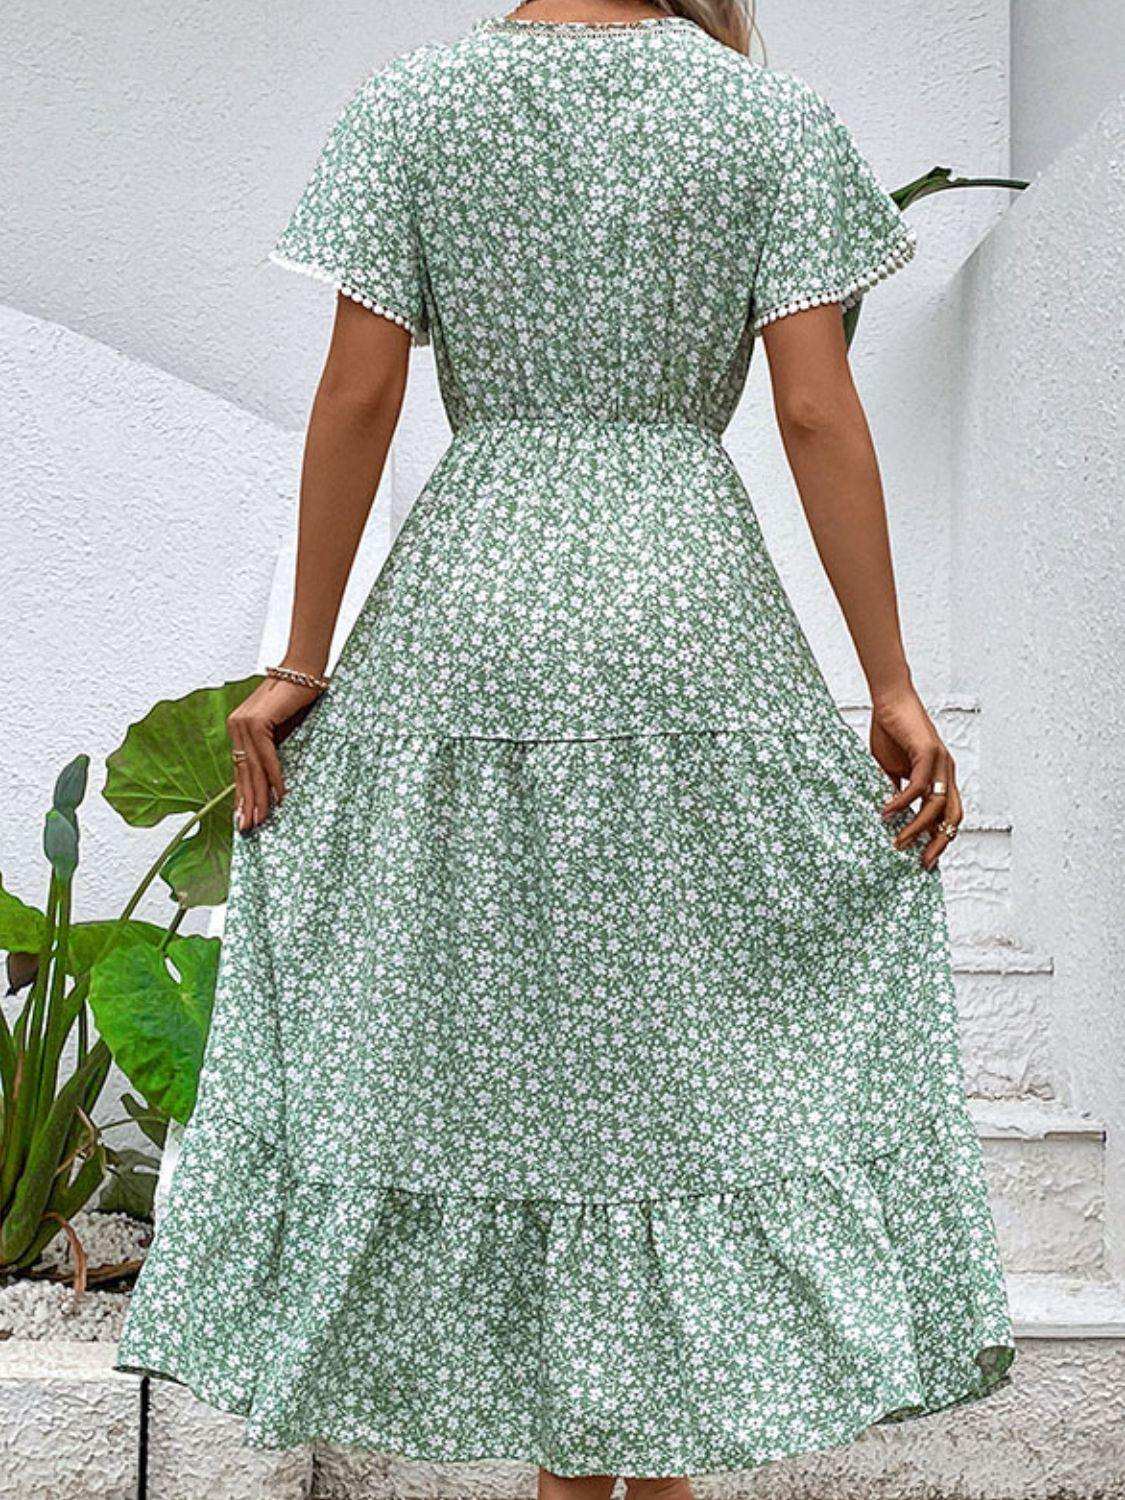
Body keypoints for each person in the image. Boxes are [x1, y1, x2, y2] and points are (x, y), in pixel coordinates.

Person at [115, 2, 1015, 1494]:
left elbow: (358, 395)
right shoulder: (763, 117)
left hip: (469, 611)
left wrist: (300, 662)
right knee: (668, 1070)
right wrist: (891, 681)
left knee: (507, 1060)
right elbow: (813, 409)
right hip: (686, 615)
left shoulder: (416, 103)